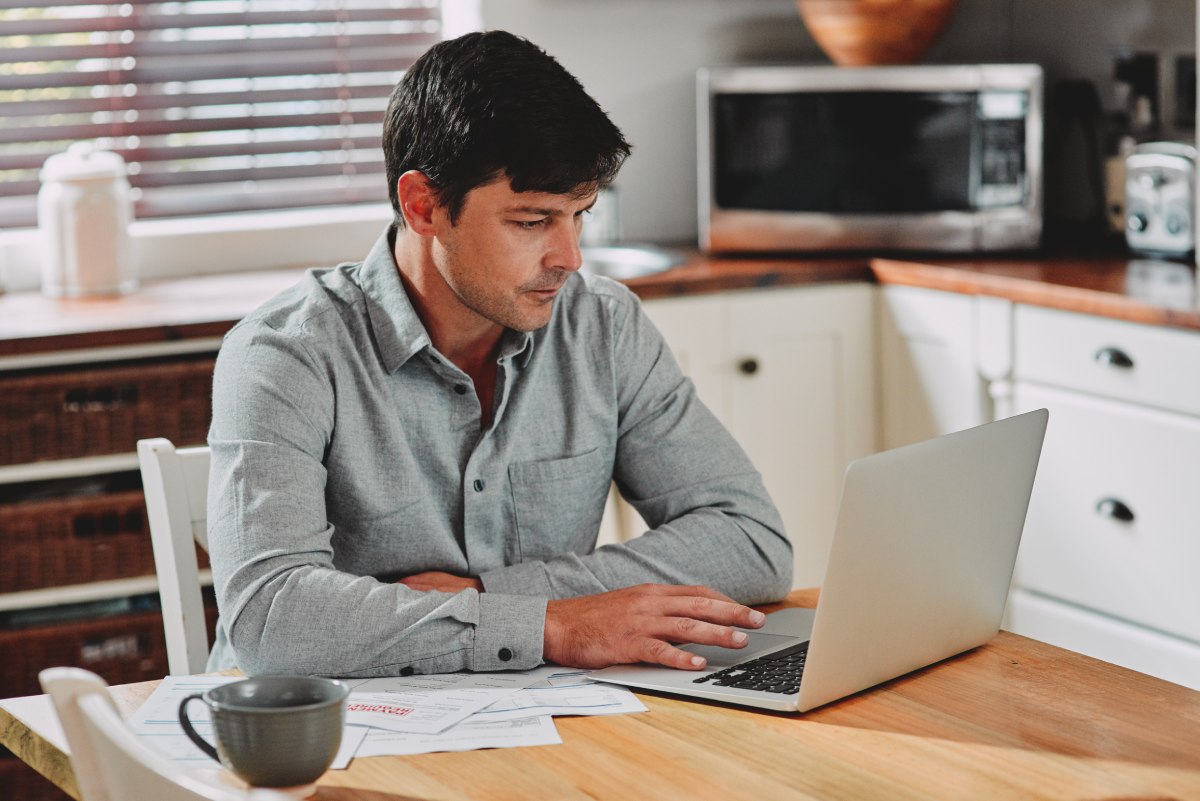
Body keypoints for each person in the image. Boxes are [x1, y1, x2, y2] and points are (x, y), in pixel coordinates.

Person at [205, 30, 793, 678]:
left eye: (581, 215)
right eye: (531, 221)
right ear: (423, 205)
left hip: (542, 724)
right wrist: (551, 623)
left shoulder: (603, 326)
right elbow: (271, 621)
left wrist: (490, 598)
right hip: (326, 751)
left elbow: (752, 541)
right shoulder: (284, 355)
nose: (569, 257)